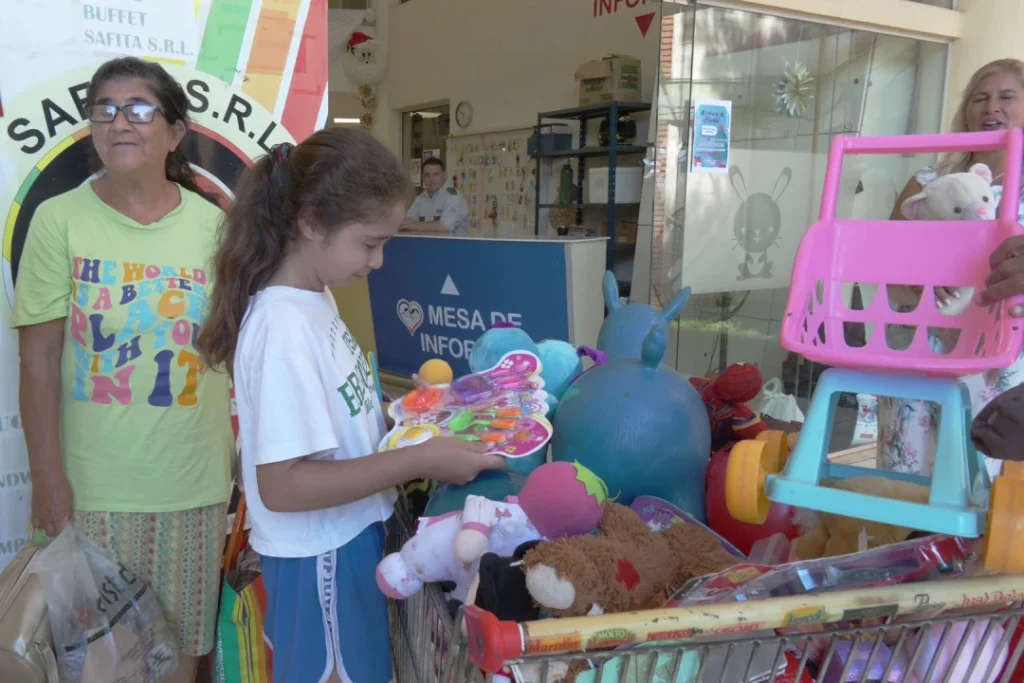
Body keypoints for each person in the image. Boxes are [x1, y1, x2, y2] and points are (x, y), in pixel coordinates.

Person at [196, 128, 505, 683]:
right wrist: (419, 459)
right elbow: (284, 485)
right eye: (370, 243)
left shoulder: (315, 298)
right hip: (321, 557)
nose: (380, 262)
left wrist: (405, 413)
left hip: (346, 541)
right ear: (311, 222)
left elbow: (334, 419)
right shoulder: (283, 326)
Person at [13, 57, 232, 683]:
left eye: (140, 109)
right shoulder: (59, 221)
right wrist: (48, 477)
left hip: (192, 485)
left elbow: (235, 344)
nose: (120, 122)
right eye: (104, 109)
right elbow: (38, 358)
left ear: (175, 132)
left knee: (184, 654)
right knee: (93, 663)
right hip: (92, 493)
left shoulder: (215, 226)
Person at [879, 58, 1024, 476]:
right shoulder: (928, 182)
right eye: (980, 98)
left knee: (991, 480)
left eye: (1006, 97)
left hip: (1002, 357)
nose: (990, 107)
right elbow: (886, 260)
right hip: (921, 343)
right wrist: (923, 282)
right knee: (908, 473)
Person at [402, 157, 470, 236]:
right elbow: (406, 221)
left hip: (454, 247)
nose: (431, 179)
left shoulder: (453, 196)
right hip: (428, 246)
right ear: (423, 178)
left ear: (444, 175)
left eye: (435, 174)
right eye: (427, 175)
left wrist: (415, 225)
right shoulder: (421, 198)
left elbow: (445, 226)